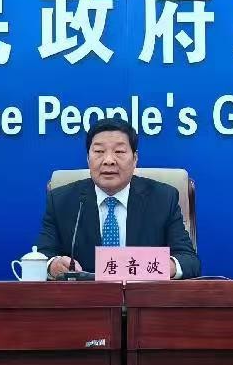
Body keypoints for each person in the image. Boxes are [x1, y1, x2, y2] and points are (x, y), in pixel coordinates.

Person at [36, 117, 200, 279]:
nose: (108, 160)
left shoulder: (163, 199)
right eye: (99, 152)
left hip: (144, 294)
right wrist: (53, 266)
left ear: (135, 159)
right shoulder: (61, 201)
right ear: (88, 158)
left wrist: (160, 266)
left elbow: (189, 260)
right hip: (83, 295)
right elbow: (42, 257)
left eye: (119, 152)